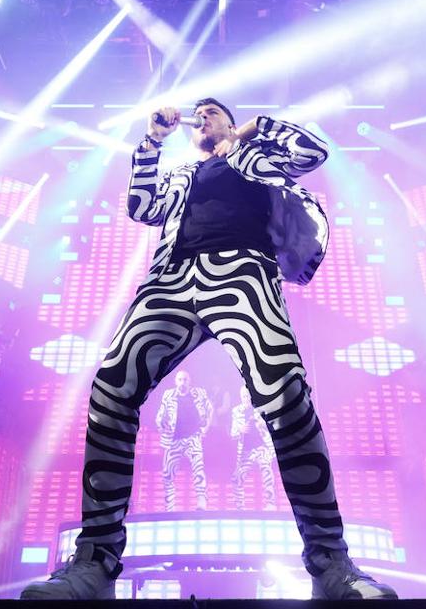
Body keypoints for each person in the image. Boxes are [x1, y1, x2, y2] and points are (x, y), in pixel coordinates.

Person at [21, 98, 397, 600]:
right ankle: (95, 559)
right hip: (171, 278)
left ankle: (331, 560)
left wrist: (252, 130)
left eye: (210, 111)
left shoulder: (252, 157)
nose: (200, 116)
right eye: (196, 113)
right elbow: (141, 206)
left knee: (284, 394)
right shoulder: (181, 172)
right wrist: (151, 142)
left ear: (227, 120)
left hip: (242, 271)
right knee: (112, 386)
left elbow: (312, 153)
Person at [154, 369, 212, 511]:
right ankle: (170, 507)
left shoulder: (199, 393)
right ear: (175, 381)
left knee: (198, 468)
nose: (182, 382)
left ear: (189, 381)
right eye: (180, 379)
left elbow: (210, 409)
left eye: (185, 379)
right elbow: (159, 416)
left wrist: (205, 429)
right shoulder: (168, 395)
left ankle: (201, 502)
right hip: (173, 440)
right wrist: (161, 423)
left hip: (193, 437)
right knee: (168, 474)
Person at [231, 385, 277, 510]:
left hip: (262, 448)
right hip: (246, 452)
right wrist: (240, 429)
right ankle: (240, 507)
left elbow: (274, 426)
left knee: (267, 472)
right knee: (237, 477)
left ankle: (270, 504)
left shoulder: (262, 409)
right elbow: (233, 433)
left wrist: (263, 424)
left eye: (247, 396)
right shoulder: (236, 411)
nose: (246, 399)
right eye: (243, 396)